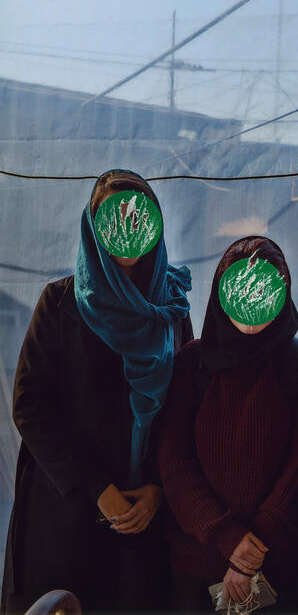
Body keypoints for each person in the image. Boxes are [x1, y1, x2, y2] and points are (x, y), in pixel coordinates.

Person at [1, 169, 193, 614]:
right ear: (93, 226)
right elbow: (30, 405)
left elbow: (185, 407)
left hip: (145, 516)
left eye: (136, 216)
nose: (126, 227)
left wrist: (160, 486)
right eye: (113, 217)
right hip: (69, 513)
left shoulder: (171, 310)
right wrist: (97, 487)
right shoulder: (62, 303)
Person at [158, 236, 298, 613]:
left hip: (275, 573)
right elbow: (174, 462)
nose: (252, 299)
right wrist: (226, 535)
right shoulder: (192, 363)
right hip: (195, 571)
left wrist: (251, 553)